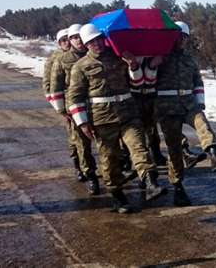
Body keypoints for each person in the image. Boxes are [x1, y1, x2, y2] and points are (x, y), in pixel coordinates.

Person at [67, 23, 165, 213]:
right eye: (91, 42)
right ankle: (117, 195)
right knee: (109, 158)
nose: (96, 44)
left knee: (139, 147)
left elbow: (136, 82)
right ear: (86, 44)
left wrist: (134, 65)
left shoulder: (119, 56)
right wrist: (83, 123)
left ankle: (151, 183)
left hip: (128, 113)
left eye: (98, 39)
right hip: (103, 119)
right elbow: (75, 97)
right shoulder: (81, 67)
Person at [150, 21, 216, 207]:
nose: (180, 40)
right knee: (174, 149)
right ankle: (177, 185)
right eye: (176, 37)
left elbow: (197, 81)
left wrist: (200, 103)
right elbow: (145, 79)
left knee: (202, 122)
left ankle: (214, 154)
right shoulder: (159, 57)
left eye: (183, 37)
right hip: (166, 107)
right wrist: (153, 66)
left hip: (188, 103)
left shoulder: (189, 59)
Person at [49, 23, 99, 195]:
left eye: (79, 37)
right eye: (74, 38)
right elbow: (55, 87)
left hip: (96, 106)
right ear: (70, 40)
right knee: (81, 144)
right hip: (75, 107)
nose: (78, 40)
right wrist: (62, 110)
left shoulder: (94, 55)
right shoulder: (62, 60)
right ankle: (90, 174)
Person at [44, 28, 88, 183]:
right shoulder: (57, 59)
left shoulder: (85, 54)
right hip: (70, 104)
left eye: (68, 39)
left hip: (87, 102)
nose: (67, 43)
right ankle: (79, 167)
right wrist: (60, 108)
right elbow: (50, 85)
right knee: (75, 139)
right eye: (63, 40)